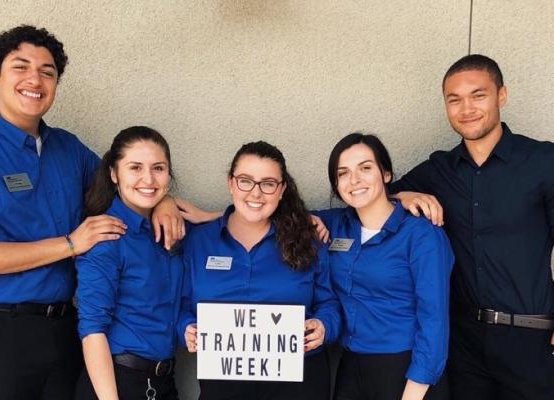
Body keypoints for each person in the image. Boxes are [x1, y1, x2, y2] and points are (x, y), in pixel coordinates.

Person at [0, 25, 127, 399]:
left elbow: (124, 185)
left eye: (47, 72)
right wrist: (70, 244)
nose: (35, 79)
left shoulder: (67, 148)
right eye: (20, 66)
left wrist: (162, 203)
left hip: (63, 330)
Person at [390, 54, 554, 400]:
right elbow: (373, 197)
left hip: (531, 339)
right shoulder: (439, 169)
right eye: (454, 99)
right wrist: (402, 195)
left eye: (478, 95)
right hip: (463, 343)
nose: (467, 108)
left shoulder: (543, 161)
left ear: (502, 95)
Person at [179, 141, 341, 400]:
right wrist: (186, 327)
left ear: (281, 189)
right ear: (230, 183)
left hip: (300, 382)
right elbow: (182, 305)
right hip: (224, 383)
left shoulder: (307, 239)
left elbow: (329, 303)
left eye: (268, 183)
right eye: (245, 180)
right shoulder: (198, 242)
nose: (256, 193)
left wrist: (323, 326)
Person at [317, 133, 453, 400]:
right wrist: (214, 217)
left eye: (365, 168)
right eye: (342, 173)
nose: (354, 180)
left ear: (386, 173)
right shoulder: (334, 224)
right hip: (350, 366)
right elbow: (269, 214)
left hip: (406, 369)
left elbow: (434, 318)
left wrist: (416, 388)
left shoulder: (421, 235)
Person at [74, 126, 182, 400]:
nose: (148, 178)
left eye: (158, 168)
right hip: (119, 382)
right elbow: (92, 329)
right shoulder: (108, 235)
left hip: (163, 381)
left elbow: (234, 220)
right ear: (114, 173)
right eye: (135, 167)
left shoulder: (171, 227)